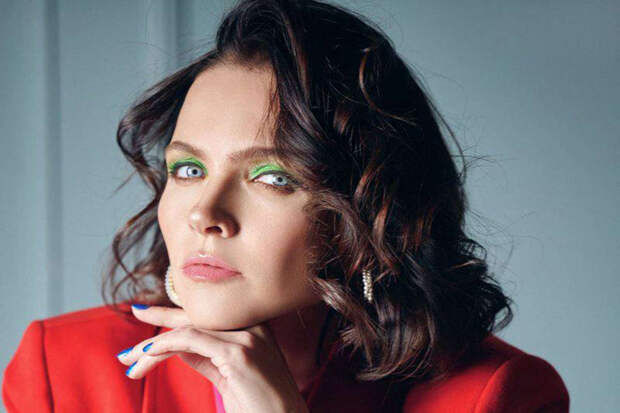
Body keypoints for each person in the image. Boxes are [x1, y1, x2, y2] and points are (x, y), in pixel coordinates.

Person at [2, 0, 570, 412]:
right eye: (189, 169)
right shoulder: (63, 371)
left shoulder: (493, 396)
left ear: (370, 209)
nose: (205, 214)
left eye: (273, 177)